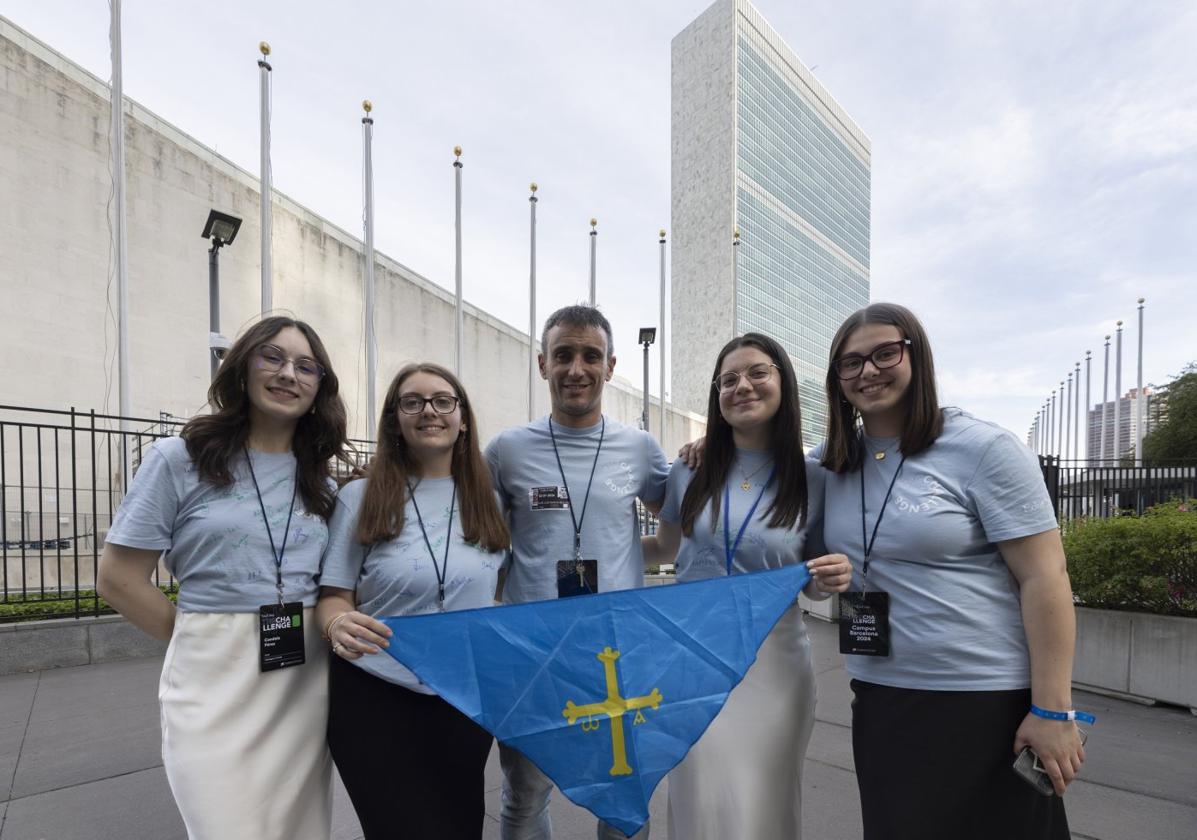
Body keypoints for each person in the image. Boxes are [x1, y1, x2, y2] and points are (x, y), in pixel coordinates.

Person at [819, 302, 1083, 839]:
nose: (868, 371)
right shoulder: (829, 462)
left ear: (917, 355)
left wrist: (1053, 711)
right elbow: (755, 464)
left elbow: (1046, 578)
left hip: (986, 703)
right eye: (851, 363)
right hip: (881, 699)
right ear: (837, 379)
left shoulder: (983, 448)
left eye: (885, 353)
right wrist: (707, 448)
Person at [97, 316, 350, 840]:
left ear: (320, 386)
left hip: (303, 683)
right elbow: (119, 578)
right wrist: (198, 637)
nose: (288, 374)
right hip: (210, 675)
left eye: (307, 366)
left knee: (299, 829)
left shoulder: (321, 478)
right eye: (272, 357)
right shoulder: (178, 458)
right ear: (242, 366)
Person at [641, 332, 852, 840]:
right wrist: (582, 562)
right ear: (717, 397)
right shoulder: (690, 469)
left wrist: (833, 580)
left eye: (758, 372)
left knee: (766, 805)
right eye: (729, 379)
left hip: (774, 665)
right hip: (694, 658)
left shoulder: (815, 478)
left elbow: (814, 585)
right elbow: (664, 550)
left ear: (782, 381)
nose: (744, 386)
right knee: (701, 804)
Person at [485, 304, 669, 840]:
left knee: (623, 794)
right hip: (532, 654)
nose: (576, 369)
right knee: (524, 795)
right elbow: (487, 551)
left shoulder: (639, 449)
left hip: (617, 653)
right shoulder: (506, 451)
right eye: (563, 355)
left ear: (611, 367)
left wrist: (634, 560)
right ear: (542, 364)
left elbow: (678, 528)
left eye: (591, 356)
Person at [316, 362, 508, 840]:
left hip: (464, 695)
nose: (429, 411)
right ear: (394, 418)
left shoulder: (489, 499)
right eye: (413, 401)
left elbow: (500, 590)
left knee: (459, 826)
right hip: (374, 693)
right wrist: (337, 624)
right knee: (397, 828)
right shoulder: (361, 496)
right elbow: (334, 598)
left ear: (462, 418)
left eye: (444, 400)